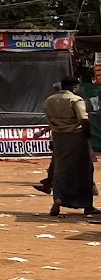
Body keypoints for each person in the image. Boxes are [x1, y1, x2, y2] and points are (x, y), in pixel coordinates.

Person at [44, 77, 98, 219]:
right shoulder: (75, 100)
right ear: (74, 87)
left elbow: (48, 119)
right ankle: (87, 206)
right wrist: (87, 135)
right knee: (84, 170)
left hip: (59, 137)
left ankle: (58, 199)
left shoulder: (49, 100)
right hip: (76, 137)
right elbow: (83, 119)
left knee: (60, 171)